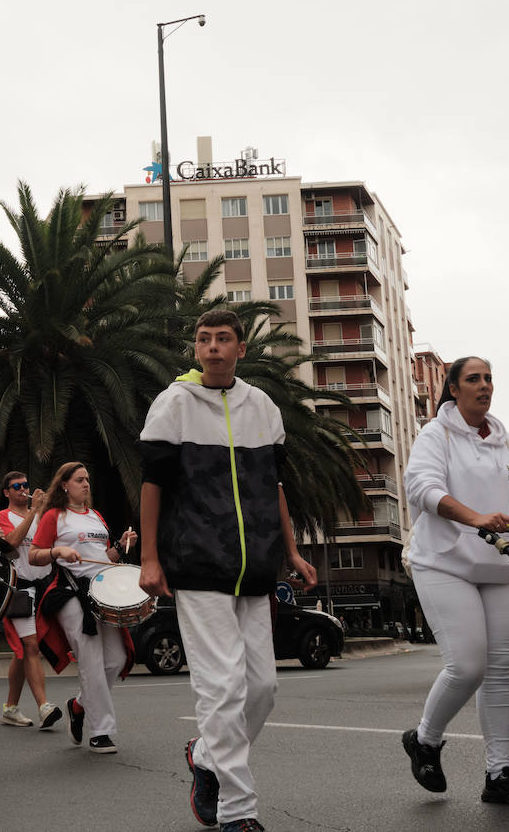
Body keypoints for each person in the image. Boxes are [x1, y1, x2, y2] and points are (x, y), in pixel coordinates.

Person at [137, 309, 317, 832]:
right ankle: (239, 813)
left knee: (262, 688)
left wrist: (292, 551)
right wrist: (150, 557)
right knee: (222, 688)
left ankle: (208, 759)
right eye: (203, 339)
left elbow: (275, 489)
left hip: (256, 566)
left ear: (241, 348)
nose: (213, 347)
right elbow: (153, 486)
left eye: (223, 339)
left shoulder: (262, 407)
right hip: (196, 563)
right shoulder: (173, 404)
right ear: (195, 349)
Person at [401, 355, 509, 807]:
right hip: (444, 563)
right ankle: (425, 740)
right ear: (453, 389)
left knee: (497, 675)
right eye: (473, 379)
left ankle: (499, 774)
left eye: (489, 378)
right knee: (467, 666)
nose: (484, 385)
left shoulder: (506, 441)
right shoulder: (435, 434)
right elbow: (420, 486)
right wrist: (475, 517)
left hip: (500, 567)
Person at [31, 462, 138, 755]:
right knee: (90, 660)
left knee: (115, 659)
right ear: (64, 485)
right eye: (79, 480)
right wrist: (58, 551)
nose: (86, 484)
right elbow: (34, 555)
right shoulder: (55, 516)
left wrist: (122, 545)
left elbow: (103, 558)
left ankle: (78, 706)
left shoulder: (96, 516)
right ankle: (100, 732)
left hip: (103, 593)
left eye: (88, 479)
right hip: (71, 594)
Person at [0, 472, 61, 730]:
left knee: (22, 652)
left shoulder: (42, 516)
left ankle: (10, 708)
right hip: (20, 589)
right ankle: (44, 706)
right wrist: (33, 511)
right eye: (16, 486)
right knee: (31, 646)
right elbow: (12, 542)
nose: (23, 489)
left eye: (25, 485)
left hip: (44, 588)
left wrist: (45, 511)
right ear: (6, 492)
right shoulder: (2, 517)